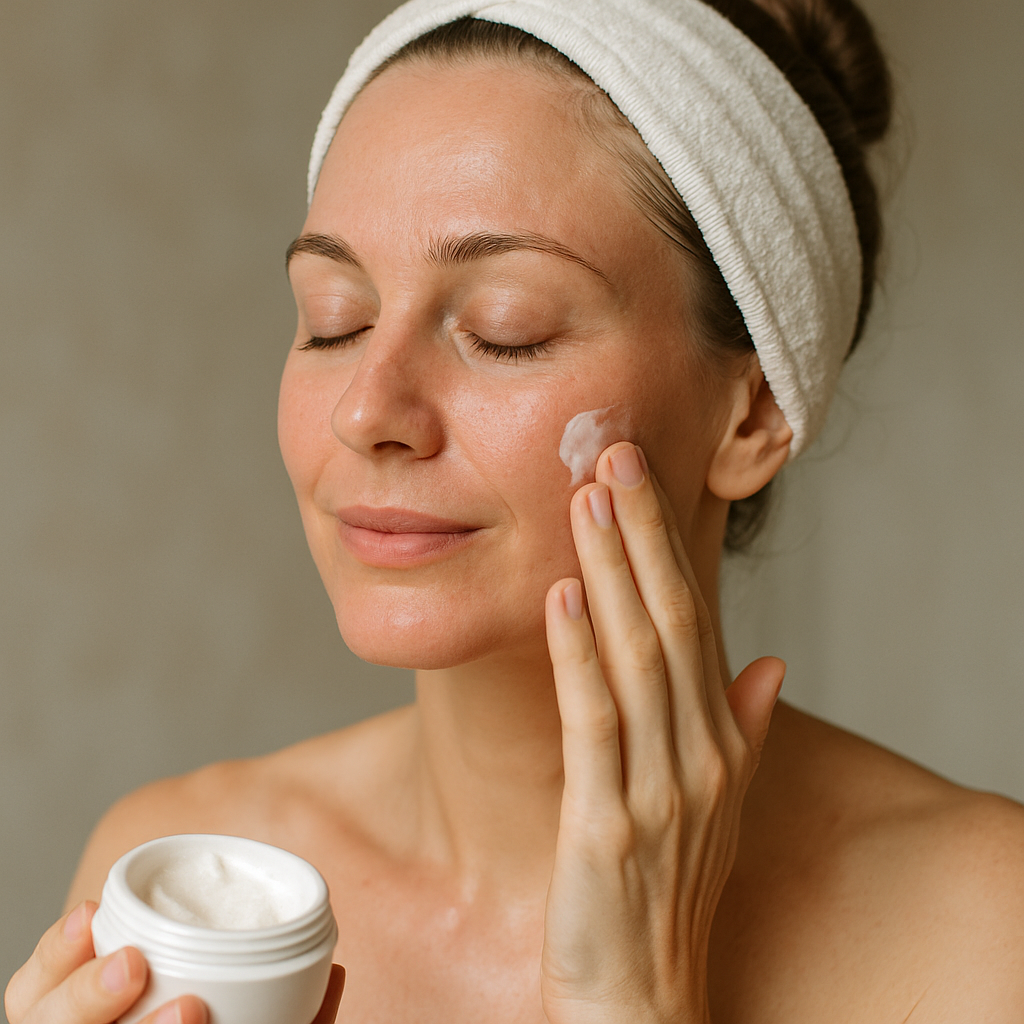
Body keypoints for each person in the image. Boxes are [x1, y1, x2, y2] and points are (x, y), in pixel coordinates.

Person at [7, 0, 1024, 1021]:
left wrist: (633, 1003)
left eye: (505, 329)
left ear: (751, 411)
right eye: (334, 321)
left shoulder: (982, 928)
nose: (369, 410)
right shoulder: (180, 894)